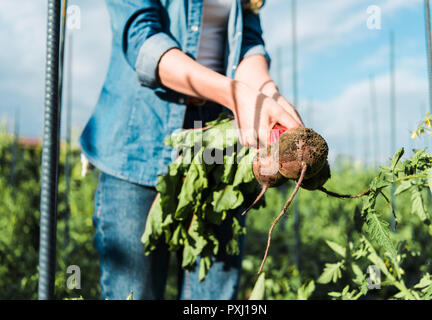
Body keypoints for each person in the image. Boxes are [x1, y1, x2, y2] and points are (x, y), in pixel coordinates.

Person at [80, 0, 304, 300]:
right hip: (138, 145)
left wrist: (267, 93)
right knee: (134, 292)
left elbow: (248, 43)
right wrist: (235, 95)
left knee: (211, 297)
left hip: (217, 156)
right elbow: (142, 38)